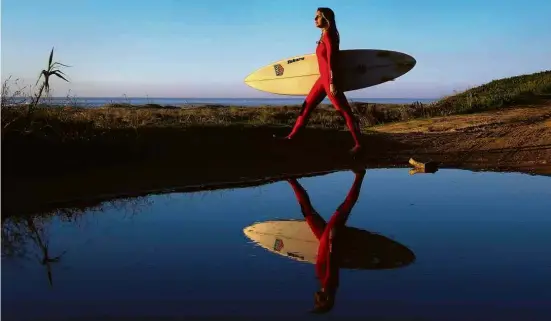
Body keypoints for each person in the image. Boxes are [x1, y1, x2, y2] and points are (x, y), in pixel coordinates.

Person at [277, 7, 363, 155]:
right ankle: (292, 138)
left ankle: (359, 145)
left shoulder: (329, 36)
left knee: (344, 112)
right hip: (321, 80)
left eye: (318, 16)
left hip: (328, 81)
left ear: (326, 18)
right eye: (315, 16)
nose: (314, 19)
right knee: (306, 107)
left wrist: (332, 82)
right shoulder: (323, 36)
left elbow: (332, 61)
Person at [286, 168, 366, 313]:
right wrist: (332, 239)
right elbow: (331, 260)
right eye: (317, 303)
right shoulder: (330, 285)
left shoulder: (326, 285)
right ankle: (360, 175)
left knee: (307, 210)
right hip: (329, 237)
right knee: (346, 206)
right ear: (326, 300)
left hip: (322, 237)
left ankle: (291, 179)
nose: (315, 299)